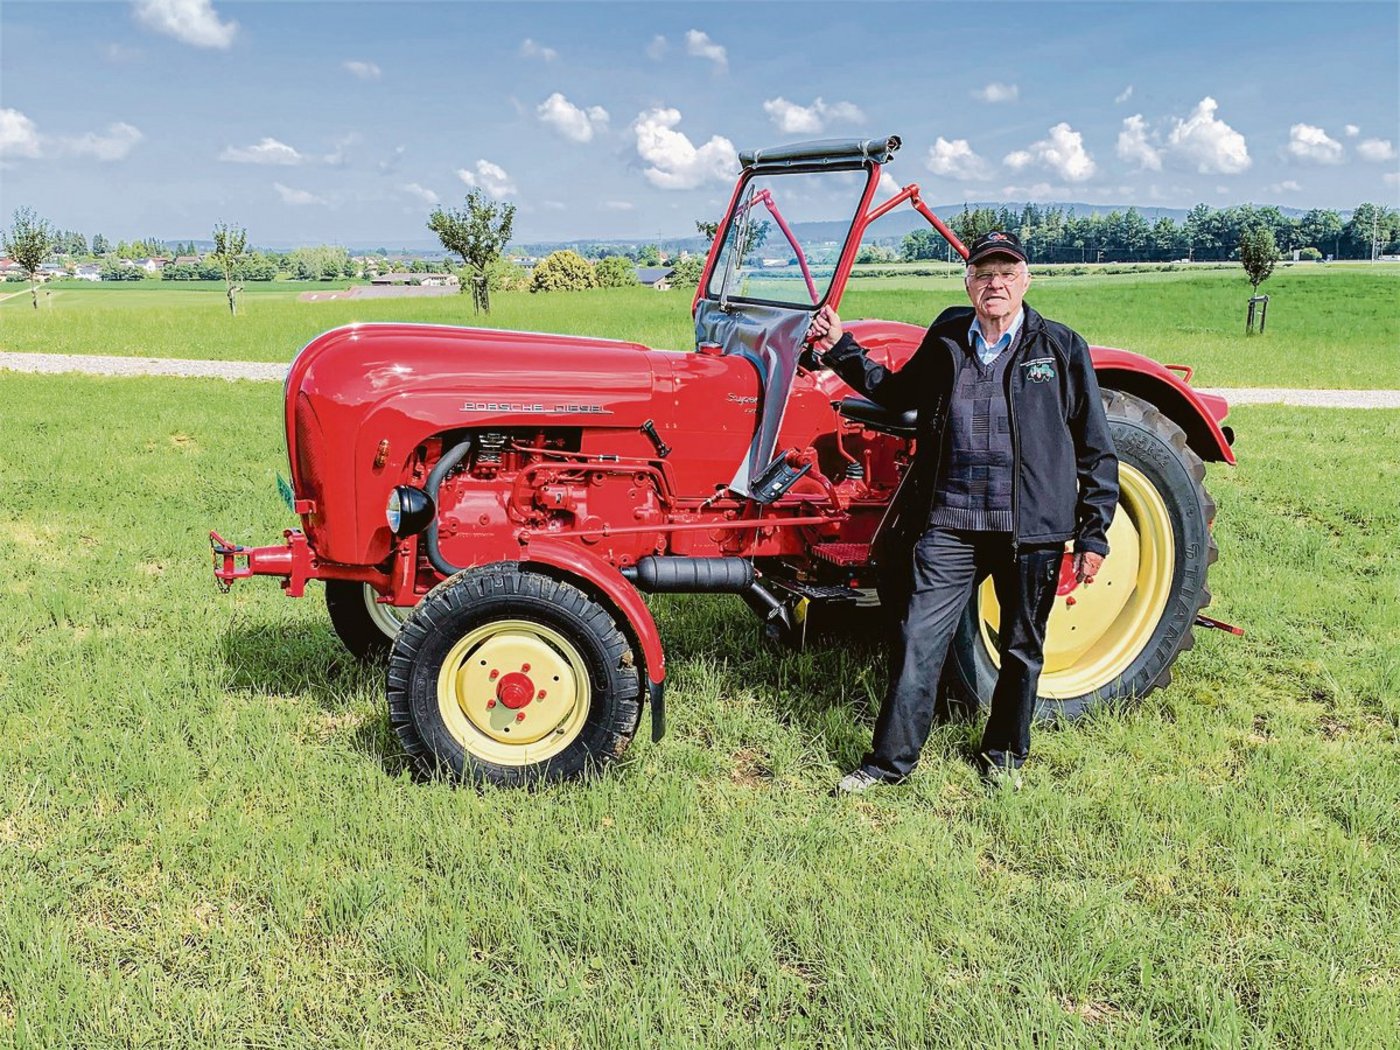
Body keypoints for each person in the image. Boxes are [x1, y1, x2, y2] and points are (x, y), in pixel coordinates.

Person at [807, 230, 1119, 792]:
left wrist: (1093, 533)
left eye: (1006, 273)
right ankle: (889, 763)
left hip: (1030, 528)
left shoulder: (1060, 347)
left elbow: (1095, 448)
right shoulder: (950, 335)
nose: (994, 283)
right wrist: (839, 347)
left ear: (1025, 279)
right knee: (919, 639)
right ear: (968, 281)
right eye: (983, 273)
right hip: (951, 522)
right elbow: (898, 393)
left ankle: (1003, 756)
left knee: (1021, 645)